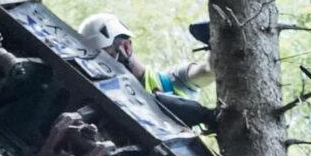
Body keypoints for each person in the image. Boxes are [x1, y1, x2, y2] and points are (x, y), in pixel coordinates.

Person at [79, 13, 214, 126]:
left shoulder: (173, 81)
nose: (103, 67)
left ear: (126, 47)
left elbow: (208, 70)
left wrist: (215, 41)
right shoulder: (108, 106)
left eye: (107, 58)